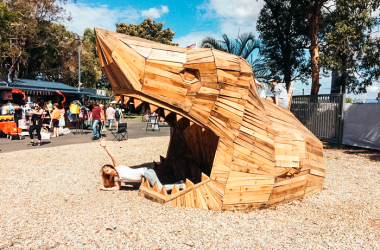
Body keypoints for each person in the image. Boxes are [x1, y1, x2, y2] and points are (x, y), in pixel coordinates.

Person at [99, 137, 186, 191]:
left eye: (107, 169)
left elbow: (113, 156)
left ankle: (181, 185)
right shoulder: (116, 179)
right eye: (105, 172)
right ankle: (179, 183)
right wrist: (105, 188)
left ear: (111, 167)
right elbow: (117, 188)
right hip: (145, 174)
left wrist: (105, 147)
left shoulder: (118, 167)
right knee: (159, 186)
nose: (107, 171)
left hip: (146, 172)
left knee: (159, 189)